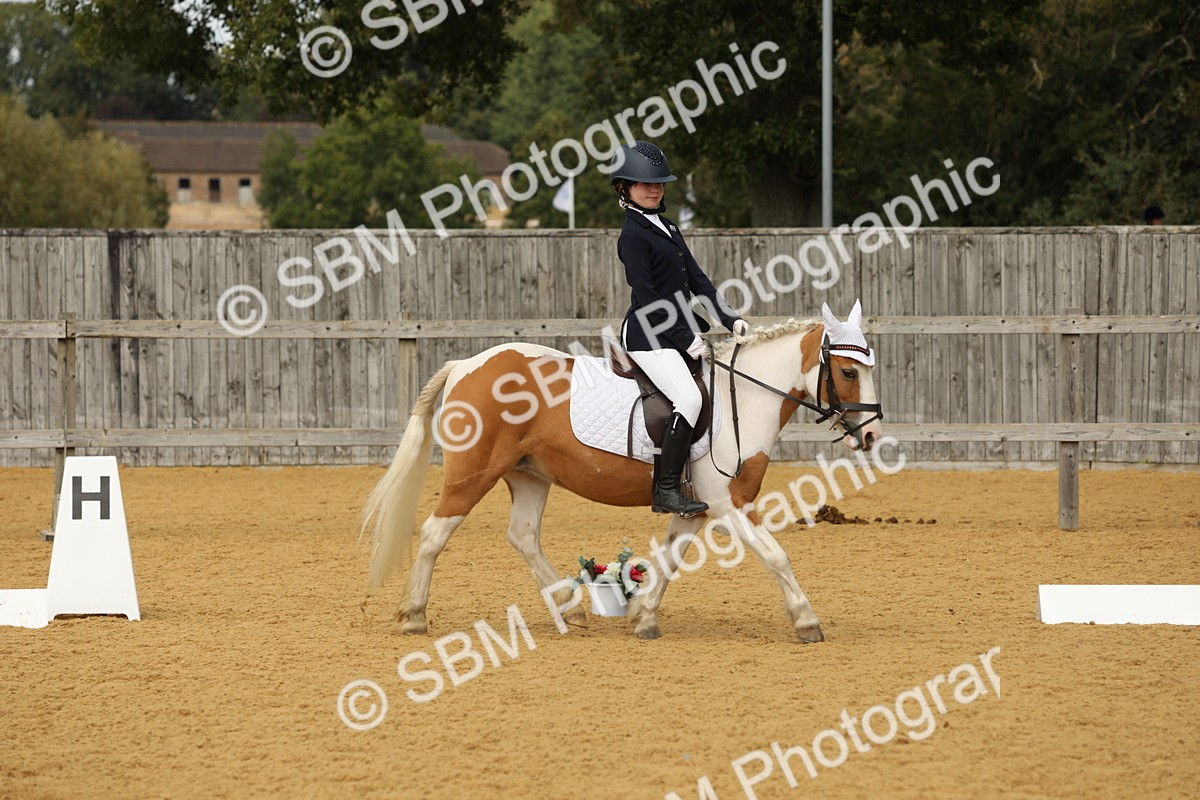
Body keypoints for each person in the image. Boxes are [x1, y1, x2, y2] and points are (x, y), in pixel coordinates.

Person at [608, 141, 749, 517]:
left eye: (659, 184)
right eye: (644, 184)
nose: (654, 190)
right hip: (647, 334)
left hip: (672, 327)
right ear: (624, 187)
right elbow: (648, 297)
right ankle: (666, 489)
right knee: (689, 399)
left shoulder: (667, 226)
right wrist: (685, 339)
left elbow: (698, 281)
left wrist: (728, 317)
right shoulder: (632, 236)